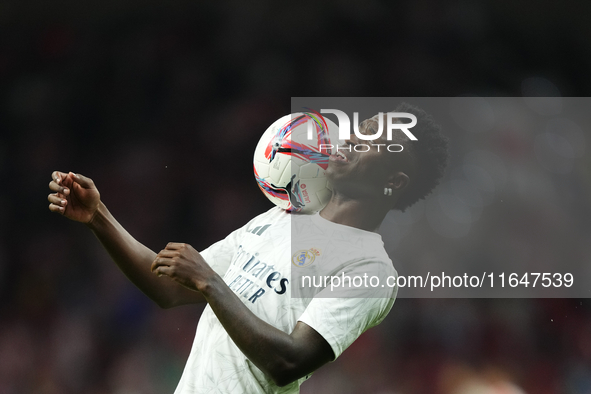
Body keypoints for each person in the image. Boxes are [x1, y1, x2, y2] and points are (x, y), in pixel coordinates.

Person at [47, 103, 449, 393]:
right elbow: (168, 287)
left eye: (372, 140)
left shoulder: (370, 269)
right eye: (361, 128)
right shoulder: (285, 215)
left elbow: (288, 362)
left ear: (393, 181)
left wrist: (210, 282)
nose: (351, 138)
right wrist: (99, 216)